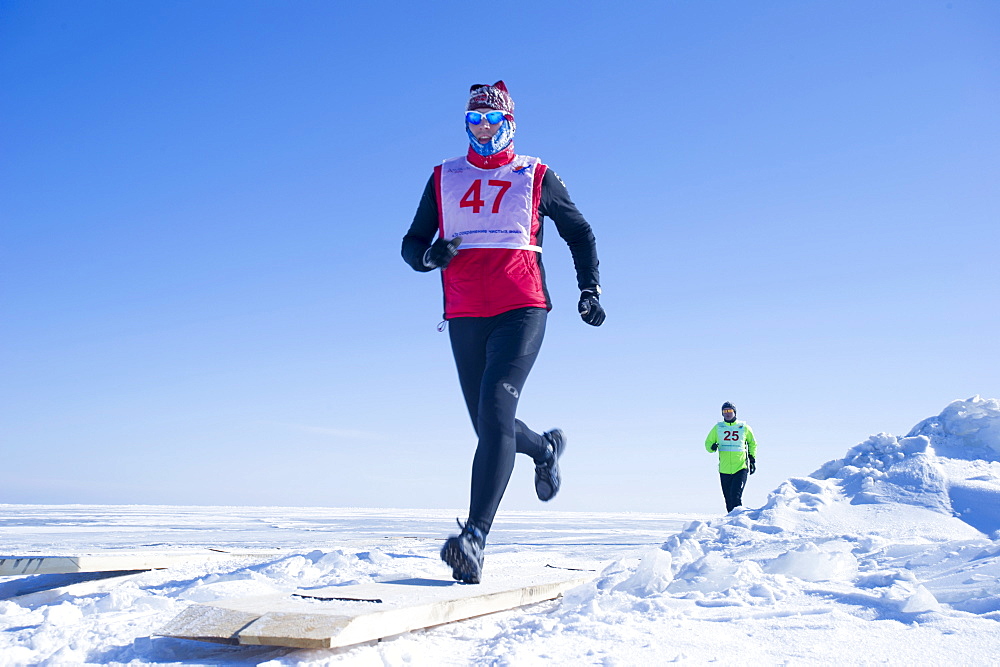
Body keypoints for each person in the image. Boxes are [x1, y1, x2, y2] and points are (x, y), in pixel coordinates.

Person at [401, 81, 604, 584]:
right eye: (475, 122)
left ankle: (474, 538)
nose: (485, 130)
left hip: (522, 308)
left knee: (494, 413)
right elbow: (410, 244)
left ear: (510, 124)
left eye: (494, 122)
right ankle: (544, 449)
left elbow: (579, 232)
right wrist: (430, 258)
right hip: (466, 313)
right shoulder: (443, 177)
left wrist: (590, 288)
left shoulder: (535, 174)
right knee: (490, 426)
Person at [705, 401, 757, 513]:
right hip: (724, 469)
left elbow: (752, 443)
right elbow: (707, 444)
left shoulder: (743, 427)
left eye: (730, 411)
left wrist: (752, 460)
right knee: (728, 501)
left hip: (740, 467)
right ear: (722, 414)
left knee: (736, 498)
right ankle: (731, 526)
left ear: (735, 412)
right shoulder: (718, 428)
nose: (727, 413)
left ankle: (740, 522)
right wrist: (712, 447)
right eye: (725, 411)